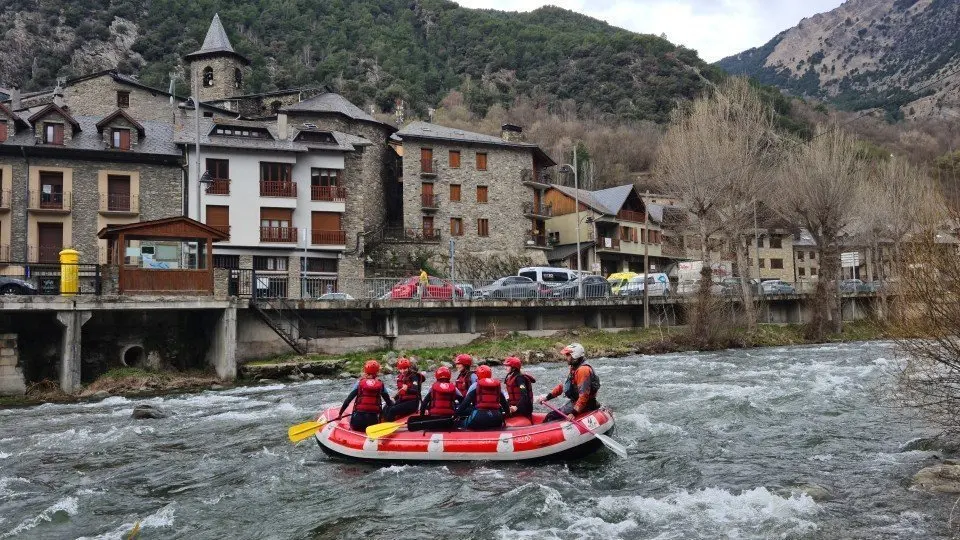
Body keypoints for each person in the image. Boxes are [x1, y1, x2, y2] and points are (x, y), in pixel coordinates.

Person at [540, 343, 600, 422]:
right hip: (576, 402)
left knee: (550, 417)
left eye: (568, 355)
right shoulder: (574, 368)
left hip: (586, 405)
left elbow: (584, 395)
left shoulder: (583, 370)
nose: (566, 357)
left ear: (575, 355)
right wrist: (548, 397)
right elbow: (564, 386)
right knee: (551, 416)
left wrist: (573, 413)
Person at [339, 360, 393, 432]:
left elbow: (348, 400)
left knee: (356, 417)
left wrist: (340, 414)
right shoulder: (380, 384)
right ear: (377, 373)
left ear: (365, 371)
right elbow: (389, 403)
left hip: (357, 423)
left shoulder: (359, 383)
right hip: (372, 423)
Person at [456, 365, 509, 430]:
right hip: (496, 417)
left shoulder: (475, 385)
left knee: (459, 423)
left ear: (478, 375)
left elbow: (465, 403)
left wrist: (456, 414)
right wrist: (508, 415)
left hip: (479, 417)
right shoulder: (497, 387)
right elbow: (505, 404)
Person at [503, 356, 536, 421]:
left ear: (514, 368)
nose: (505, 368)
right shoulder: (511, 377)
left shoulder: (520, 378)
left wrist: (516, 407)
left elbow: (524, 395)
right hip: (515, 406)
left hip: (523, 408)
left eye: (507, 366)